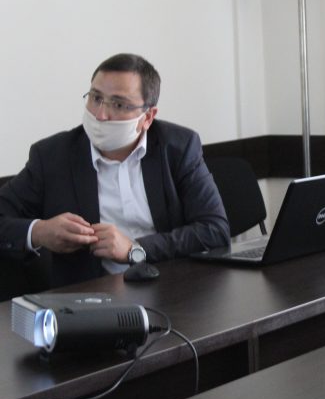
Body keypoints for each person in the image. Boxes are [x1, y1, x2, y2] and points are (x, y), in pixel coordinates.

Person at [0, 53, 229, 288]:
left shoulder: (178, 147)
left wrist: (135, 249)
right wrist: (38, 232)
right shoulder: (52, 156)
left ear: (148, 117)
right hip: (91, 295)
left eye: (118, 104)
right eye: (96, 98)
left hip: (173, 288)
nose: (100, 115)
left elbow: (214, 230)